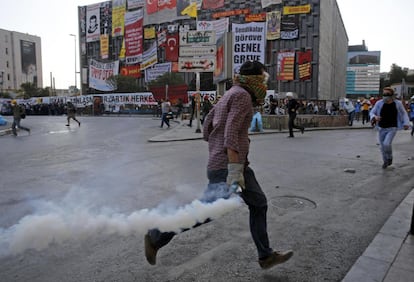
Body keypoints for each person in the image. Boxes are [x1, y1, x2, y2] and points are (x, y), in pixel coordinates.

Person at [144, 61, 293, 269]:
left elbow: (207, 125)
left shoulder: (232, 92)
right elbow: (231, 129)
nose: (264, 82)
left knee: (258, 203)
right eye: (263, 77)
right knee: (207, 210)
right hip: (230, 165)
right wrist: (233, 166)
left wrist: (216, 146)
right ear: (255, 79)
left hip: (229, 163)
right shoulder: (242, 96)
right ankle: (157, 234)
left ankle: (266, 256)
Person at [369, 87, 410, 169]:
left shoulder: (397, 103)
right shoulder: (379, 103)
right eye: (384, 94)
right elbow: (372, 112)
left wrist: (406, 123)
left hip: (392, 127)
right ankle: (385, 161)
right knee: (382, 146)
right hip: (381, 128)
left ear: (392, 95)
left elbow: (404, 113)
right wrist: (374, 117)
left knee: (387, 144)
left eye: (387, 94)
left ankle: (390, 157)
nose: (385, 96)